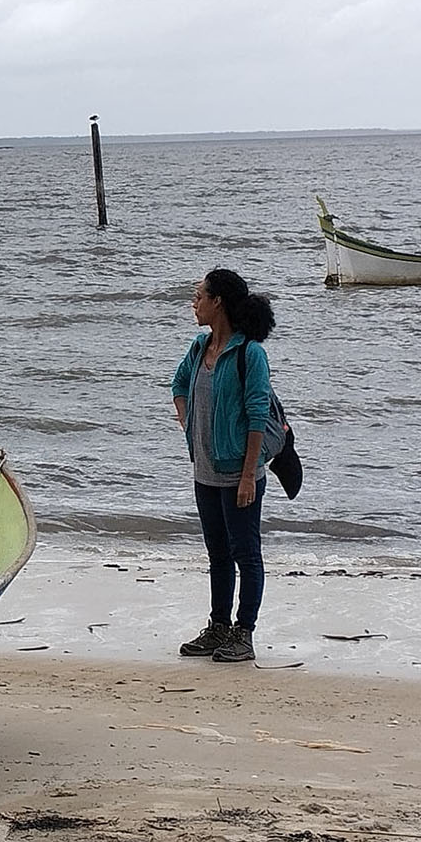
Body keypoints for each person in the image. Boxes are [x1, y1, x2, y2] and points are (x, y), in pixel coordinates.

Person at [168, 266, 279, 664]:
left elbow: (256, 413)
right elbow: (178, 385)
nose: (194, 303)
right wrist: (190, 426)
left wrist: (249, 474)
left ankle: (243, 633)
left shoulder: (251, 354)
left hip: (240, 474)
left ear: (218, 303)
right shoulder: (199, 348)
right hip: (205, 471)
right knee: (217, 552)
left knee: (245, 553)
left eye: (199, 296)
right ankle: (218, 627)